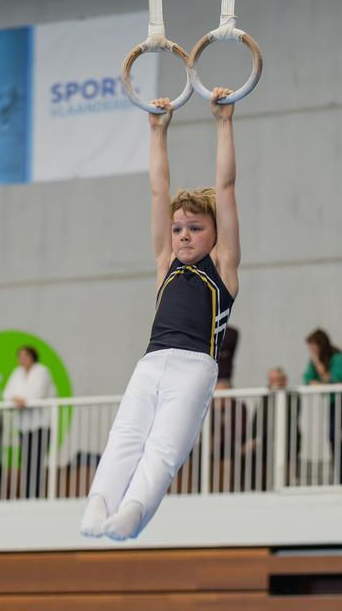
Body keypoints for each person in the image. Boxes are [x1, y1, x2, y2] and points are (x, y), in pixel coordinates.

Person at [81, 87, 240, 541]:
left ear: (215, 235)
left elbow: (225, 187)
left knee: (163, 450)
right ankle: (98, 504)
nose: (184, 236)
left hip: (194, 369)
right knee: (124, 438)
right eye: (178, 229)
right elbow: (158, 190)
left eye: (195, 228)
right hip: (149, 365)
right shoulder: (163, 263)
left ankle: (132, 511)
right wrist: (156, 132)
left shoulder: (223, 268)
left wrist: (223, 123)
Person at [2, 346, 55, 498]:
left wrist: (19, 399)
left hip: (41, 424)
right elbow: (6, 393)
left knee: (37, 460)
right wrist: (16, 399)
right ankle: (28, 494)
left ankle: (37, 494)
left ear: (33, 356)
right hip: (24, 426)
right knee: (26, 460)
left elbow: (37, 394)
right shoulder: (16, 373)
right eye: (19, 356)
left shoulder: (42, 371)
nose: (22, 359)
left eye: (25, 355)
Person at [250, 367, 301, 490]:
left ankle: (288, 489)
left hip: (289, 440)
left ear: (285, 380)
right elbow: (258, 418)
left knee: (288, 472)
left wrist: (278, 393)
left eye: (278, 379)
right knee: (261, 467)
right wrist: (253, 438)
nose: (275, 383)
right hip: (268, 441)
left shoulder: (293, 395)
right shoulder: (266, 396)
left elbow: (290, 417)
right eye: (272, 380)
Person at [303, 329, 342, 482]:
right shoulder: (314, 360)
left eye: (313, 346)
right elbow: (307, 379)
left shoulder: (337, 357)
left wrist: (319, 366)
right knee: (333, 437)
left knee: (336, 435)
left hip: (340, 401)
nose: (311, 351)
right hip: (333, 403)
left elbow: (333, 379)